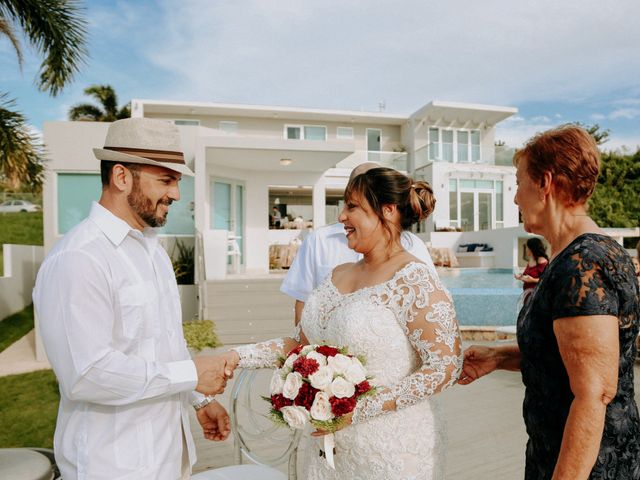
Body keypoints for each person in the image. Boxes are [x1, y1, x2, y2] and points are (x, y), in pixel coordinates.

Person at [225, 167, 462, 479]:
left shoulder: (414, 280)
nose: (341, 217)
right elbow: (301, 348)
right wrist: (236, 357)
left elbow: (446, 367)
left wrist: (356, 410)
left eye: (352, 207)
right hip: (325, 449)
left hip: (390, 449)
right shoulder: (337, 273)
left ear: (387, 212)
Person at [33, 118, 234, 480]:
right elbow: (86, 374)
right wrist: (191, 374)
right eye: (166, 180)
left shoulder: (151, 251)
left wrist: (198, 399)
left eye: (177, 182)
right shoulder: (79, 258)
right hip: (111, 465)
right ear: (121, 177)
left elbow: (160, 347)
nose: (176, 194)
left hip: (168, 456)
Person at [460, 125, 640, 479]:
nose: (515, 198)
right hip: (556, 451)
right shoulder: (580, 254)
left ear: (544, 182)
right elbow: (564, 355)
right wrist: (498, 357)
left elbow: (594, 394)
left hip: (585, 465)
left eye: (517, 183)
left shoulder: (583, 263)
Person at [280, 162, 435, 325]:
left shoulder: (415, 249)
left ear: (386, 208)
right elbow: (303, 302)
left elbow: (428, 315)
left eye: (353, 206)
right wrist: (304, 350)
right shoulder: (318, 241)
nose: (341, 216)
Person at [514, 237, 549, 304]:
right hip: (528, 295)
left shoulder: (542, 261)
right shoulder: (531, 260)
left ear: (532, 249)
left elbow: (546, 280)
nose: (526, 249)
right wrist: (521, 277)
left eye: (527, 247)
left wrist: (532, 280)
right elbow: (526, 275)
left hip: (536, 296)